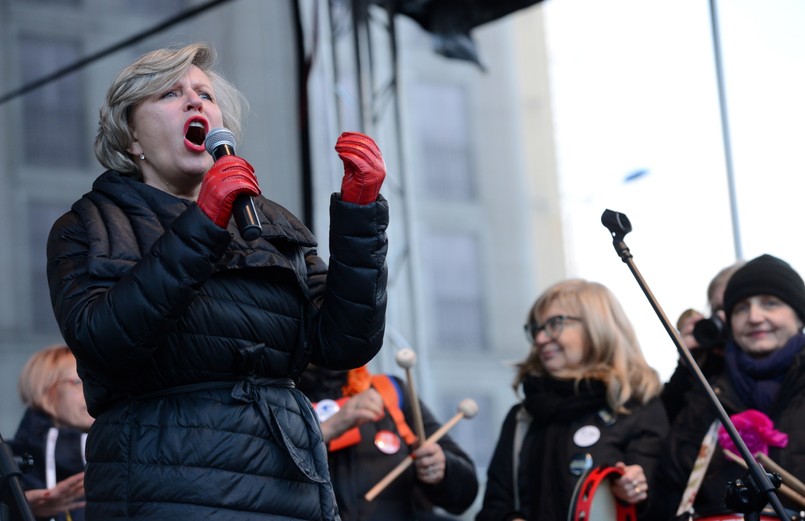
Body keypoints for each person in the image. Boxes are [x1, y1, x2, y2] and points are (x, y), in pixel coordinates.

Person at [45, 42, 389, 520]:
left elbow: (344, 343)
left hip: (287, 481)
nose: (194, 101)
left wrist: (359, 216)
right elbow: (105, 340)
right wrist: (203, 222)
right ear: (132, 140)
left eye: (204, 94)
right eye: (169, 94)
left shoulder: (267, 220)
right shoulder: (89, 226)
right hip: (166, 481)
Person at [475, 279, 669, 521]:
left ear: (597, 327)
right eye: (536, 329)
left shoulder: (639, 406)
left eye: (555, 324)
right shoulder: (523, 417)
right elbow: (493, 508)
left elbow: (666, 502)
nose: (540, 339)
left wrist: (636, 490)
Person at [656, 254, 805, 519]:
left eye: (770, 303)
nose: (755, 317)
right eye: (741, 308)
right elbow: (667, 488)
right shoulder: (705, 394)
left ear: (799, 315)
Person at [297, 364, 478, 520]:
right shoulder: (277, 397)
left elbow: (464, 495)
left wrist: (442, 469)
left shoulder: (389, 391)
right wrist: (328, 429)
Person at [8, 344, 92, 521]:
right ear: (44, 390)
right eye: (79, 381)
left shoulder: (124, 455)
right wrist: (21, 507)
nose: (92, 390)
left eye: (96, 381)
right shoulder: (8, 464)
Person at [661, 261, 744, 422]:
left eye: (735, 307)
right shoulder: (710, 365)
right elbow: (665, 422)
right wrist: (686, 367)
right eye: (718, 310)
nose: (723, 318)